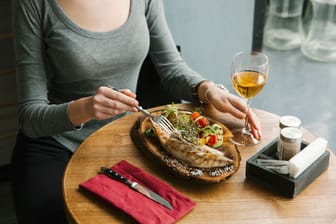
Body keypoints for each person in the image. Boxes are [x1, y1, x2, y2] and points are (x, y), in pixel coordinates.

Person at [11, 0, 262, 223]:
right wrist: (86, 108)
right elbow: (29, 116)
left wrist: (206, 89)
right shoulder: (32, 4)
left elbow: (171, 67)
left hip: (127, 138)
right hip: (56, 144)